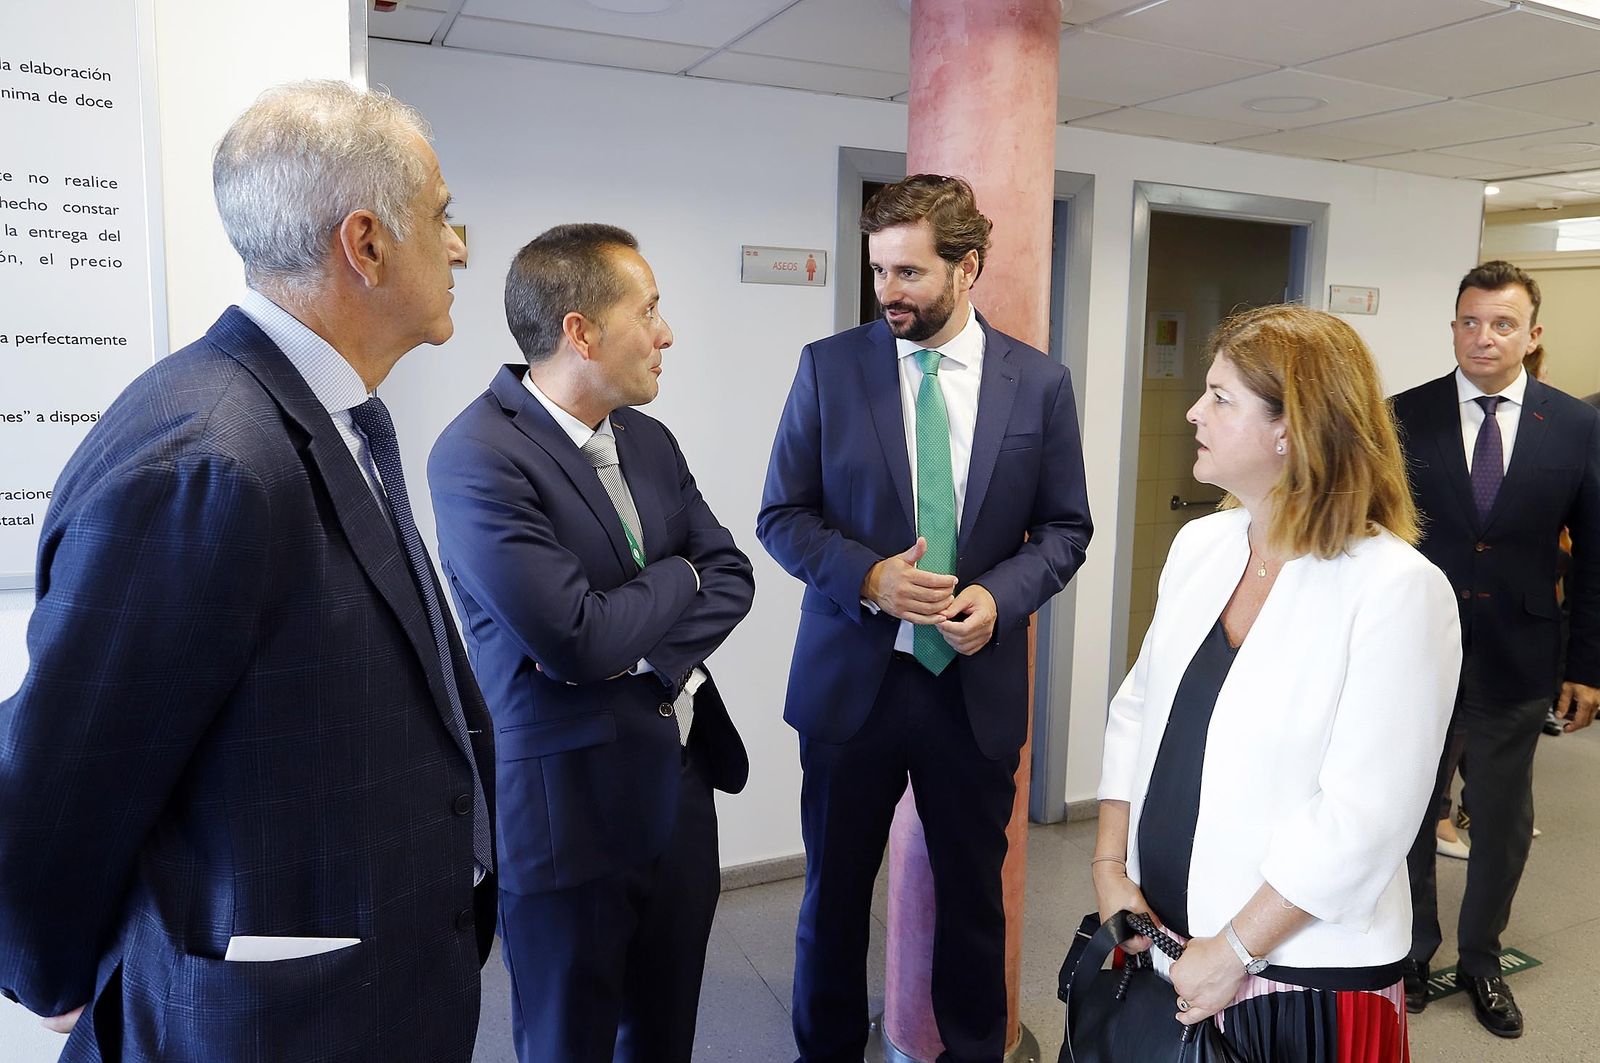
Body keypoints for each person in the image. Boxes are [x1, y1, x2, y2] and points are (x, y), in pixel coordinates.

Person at [0, 80, 494, 1061]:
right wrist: (53, 969)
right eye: (442, 217)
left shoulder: (340, 416)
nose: (461, 246)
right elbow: (62, 770)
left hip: (366, 988)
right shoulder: (211, 457)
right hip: (278, 1023)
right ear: (366, 244)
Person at [758, 174, 1093, 1062]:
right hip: (851, 685)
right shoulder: (829, 367)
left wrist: (1003, 595)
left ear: (967, 267)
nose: (887, 293)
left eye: (908, 273)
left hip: (971, 688)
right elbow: (781, 516)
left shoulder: (1040, 384)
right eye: (879, 271)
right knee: (832, 901)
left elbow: (1066, 528)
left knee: (974, 904)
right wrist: (868, 577)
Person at [1093, 304, 1460, 1061]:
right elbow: (1138, 711)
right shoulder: (1202, 543)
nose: (1195, 411)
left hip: (1300, 971)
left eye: (1220, 397)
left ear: (1291, 429)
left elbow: (1367, 814)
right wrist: (1107, 866)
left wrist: (1232, 948)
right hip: (1167, 931)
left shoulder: (1395, 588)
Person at [428, 223, 754, 1063]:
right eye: (649, 310)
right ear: (581, 330)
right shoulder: (476, 457)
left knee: (664, 1032)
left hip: (680, 788)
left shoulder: (647, 436)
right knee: (567, 1042)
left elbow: (734, 572)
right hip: (566, 811)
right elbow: (575, 639)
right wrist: (678, 578)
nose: (667, 332)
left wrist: (648, 640)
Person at [1395, 260, 1600, 1038]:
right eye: (1471, 321)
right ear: (1453, 327)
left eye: (1503, 323)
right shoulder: (1404, 414)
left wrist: (1587, 664)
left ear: (1533, 334)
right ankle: (1412, 951)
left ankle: (1481, 960)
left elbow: (1596, 555)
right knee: (1410, 809)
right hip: (1416, 654)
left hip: (1519, 655)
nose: (1485, 336)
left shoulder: (1575, 425)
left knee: (1503, 820)